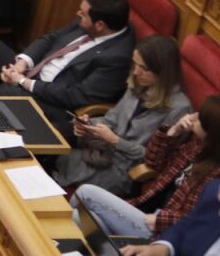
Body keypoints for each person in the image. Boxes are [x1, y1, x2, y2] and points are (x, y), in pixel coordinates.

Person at [0, 0, 134, 129]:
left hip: (52, 99)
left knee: (7, 91)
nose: (78, 15)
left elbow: (76, 96)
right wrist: (21, 64)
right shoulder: (94, 22)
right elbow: (51, 38)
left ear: (100, 25)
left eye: (83, 14)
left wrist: (23, 82)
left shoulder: (117, 58)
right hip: (33, 71)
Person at [52, 35, 190, 196]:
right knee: (52, 143)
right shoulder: (138, 84)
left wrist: (116, 141)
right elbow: (112, 119)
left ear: (163, 73)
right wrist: (88, 125)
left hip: (125, 172)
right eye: (135, 64)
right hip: (102, 153)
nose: (136, 72)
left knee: (55, 162)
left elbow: (158, 161)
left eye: (144, 68)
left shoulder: (179, 109)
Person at [72, 96, 220, 244]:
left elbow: (196, 218)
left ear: (211, 131)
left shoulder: (214, 174)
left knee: (85, 193)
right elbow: (152, 161)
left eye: (200, 118)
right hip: (145, 208)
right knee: (78, 217)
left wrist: (159, 219)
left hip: (162, 232)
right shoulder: (197, 145)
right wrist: (173, 131)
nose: (193, 117)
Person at [119, 178, 220, 256]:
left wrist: (160, 219)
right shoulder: (213, 191)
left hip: (157, 225)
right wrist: (162, 248)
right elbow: (186, 226)